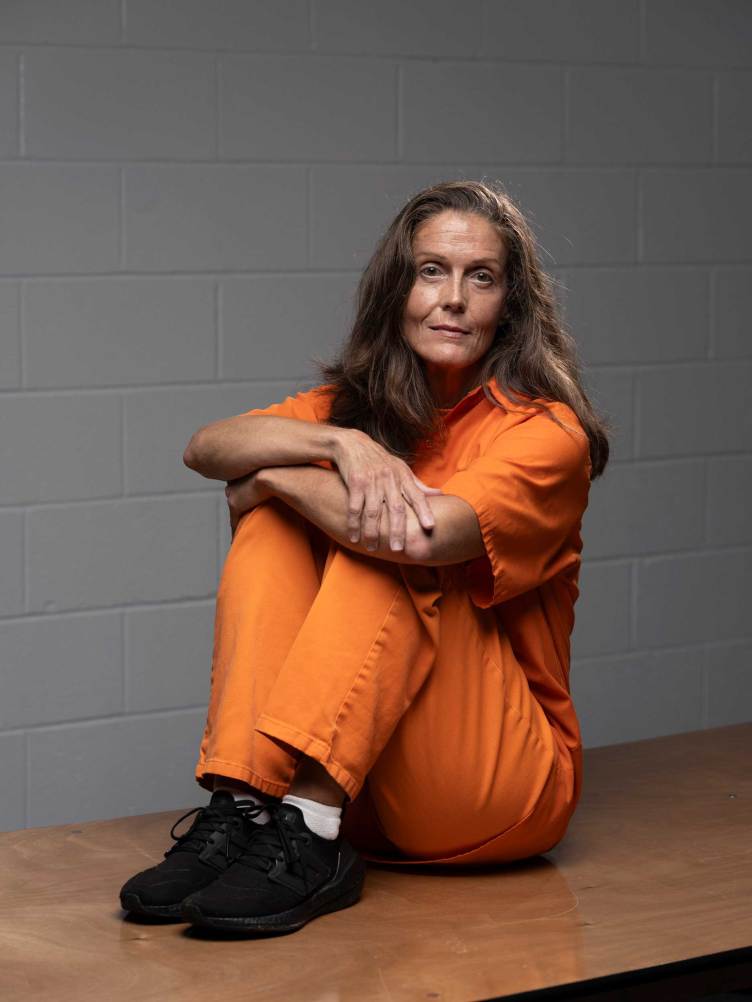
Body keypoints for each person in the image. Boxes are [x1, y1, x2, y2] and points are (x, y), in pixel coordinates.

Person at [119, 179, 611, 935]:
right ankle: (251, 807)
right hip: (370, 794)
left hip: (499, 789)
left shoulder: (547, 433)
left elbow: (419, 537)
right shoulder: (353, 410)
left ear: (508, 305)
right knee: (277, 531)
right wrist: (335, 444)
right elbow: (206, 447)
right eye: (431, 271)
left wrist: (279, 477)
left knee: (386, 538)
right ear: (397, 289)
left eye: (480, 277)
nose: (452, 298)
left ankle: (308, 827)